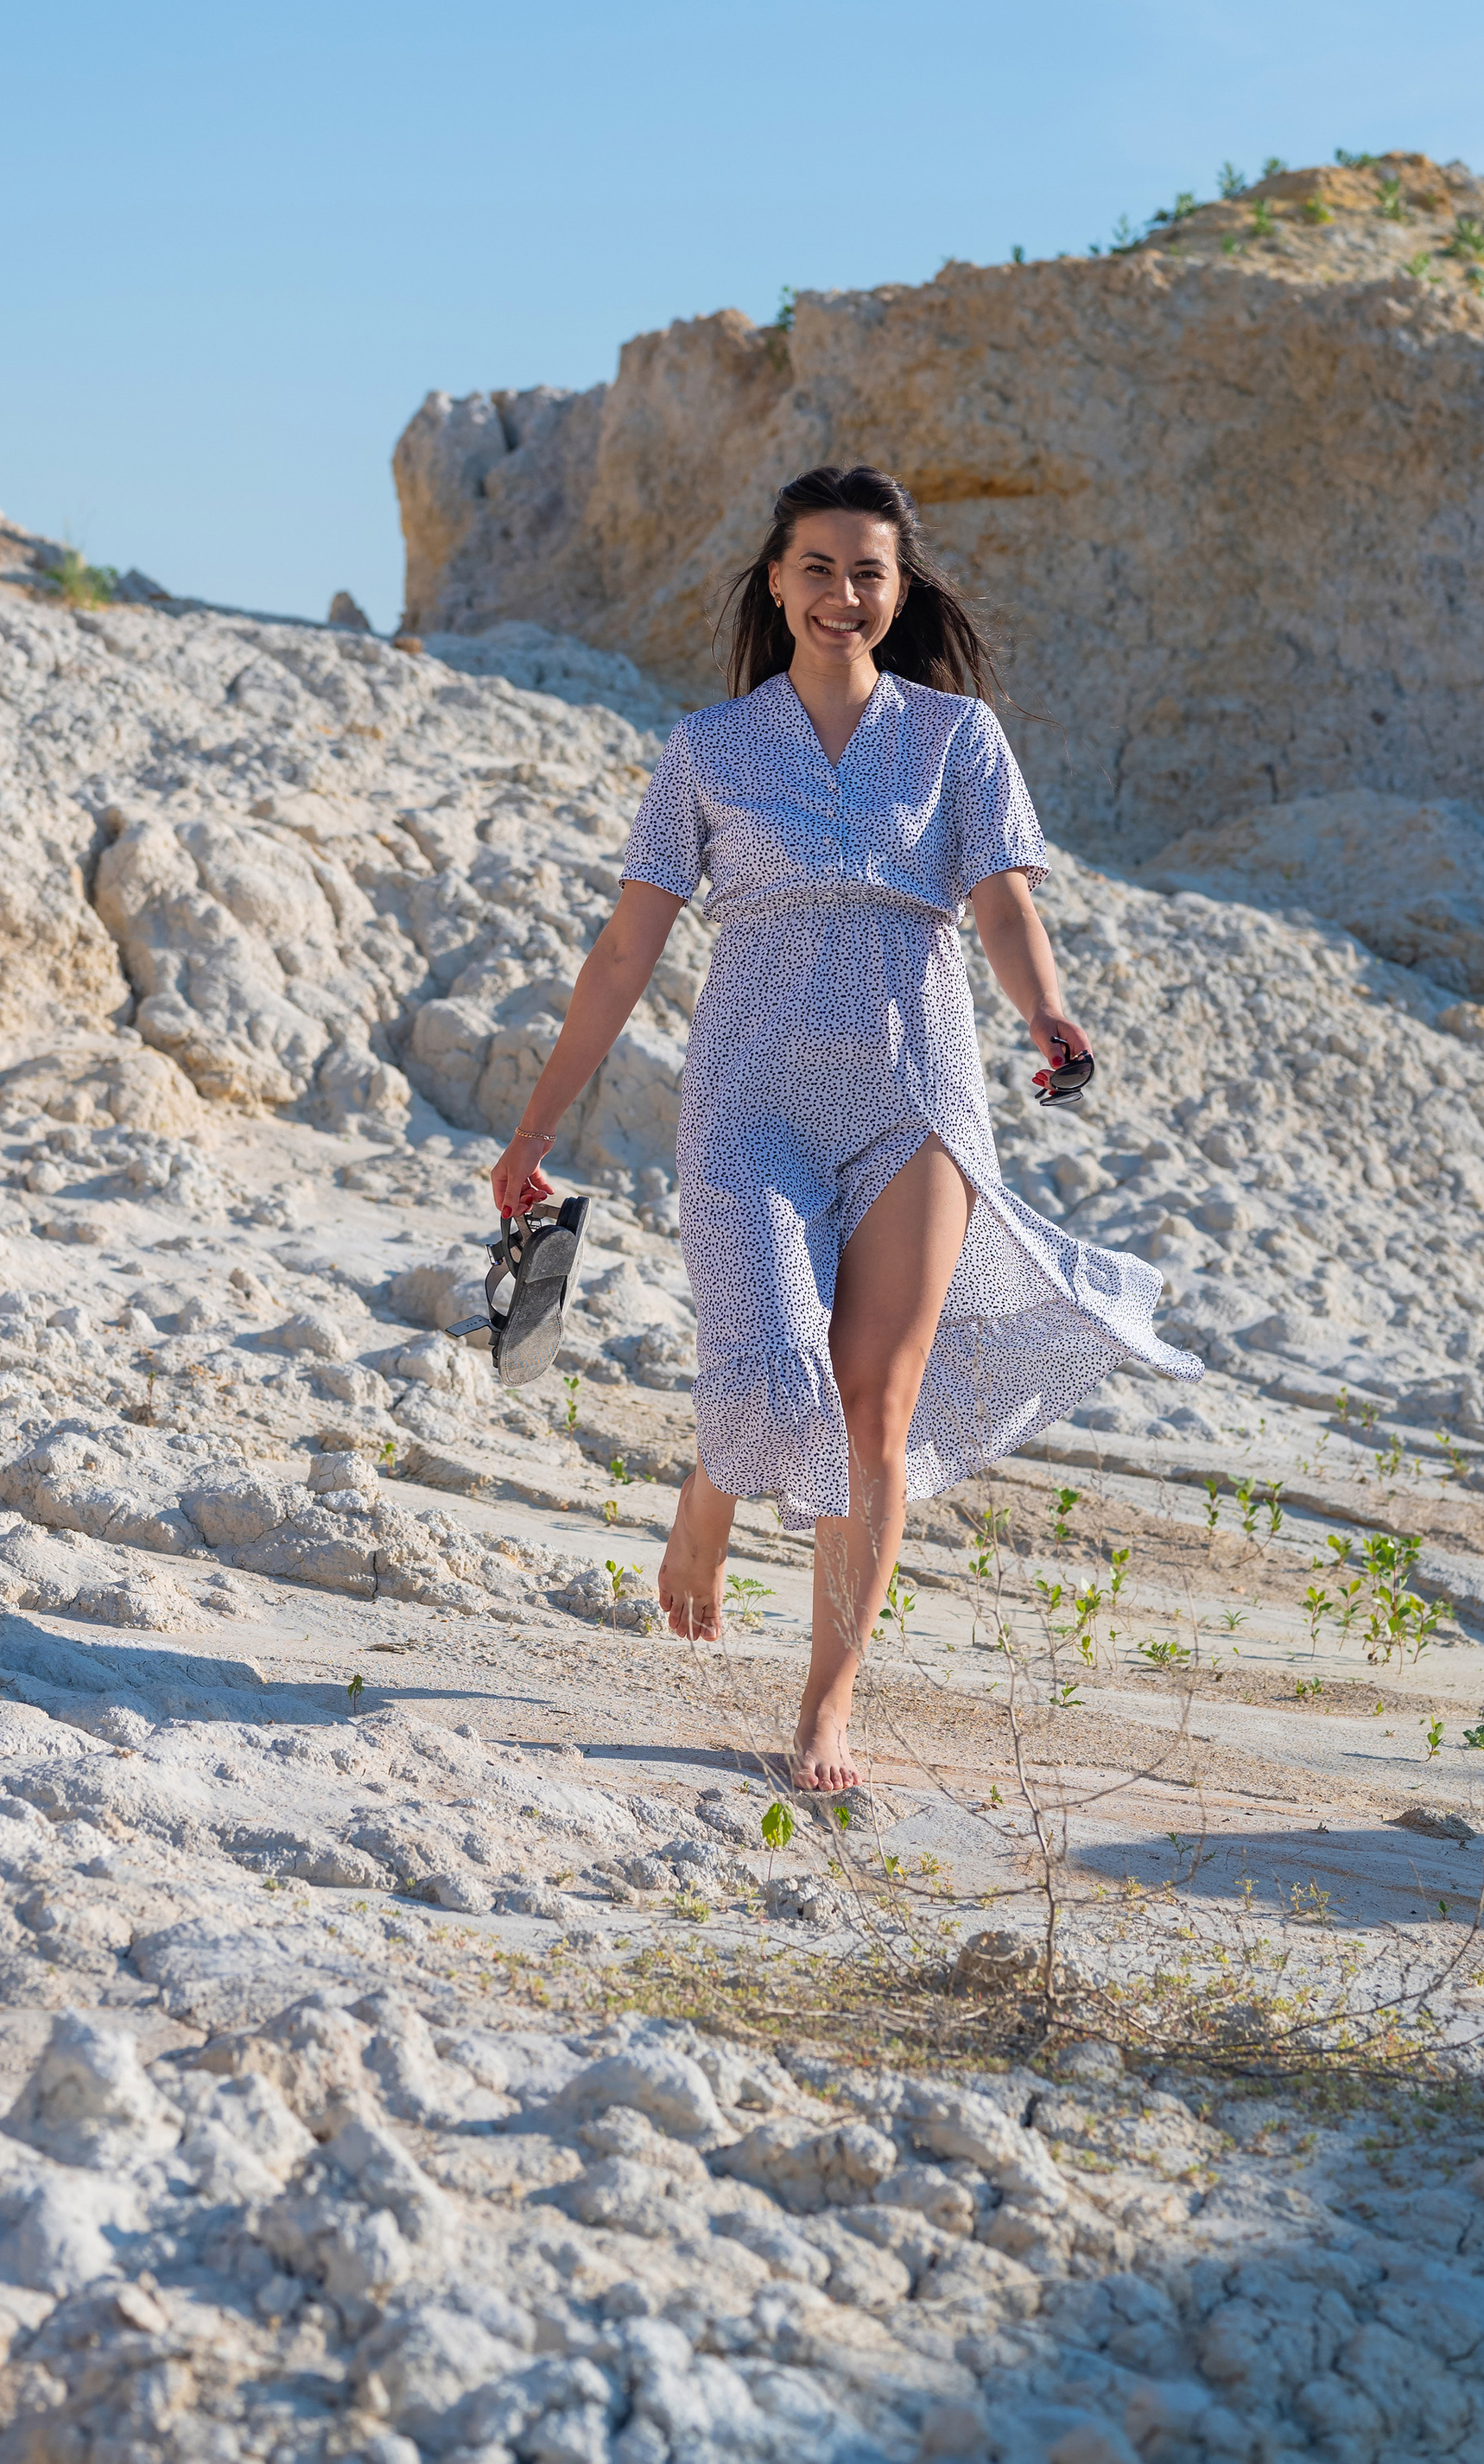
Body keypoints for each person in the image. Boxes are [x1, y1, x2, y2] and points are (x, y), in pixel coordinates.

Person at [489, 464, 1201, 1788]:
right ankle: (714, 1487)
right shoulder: (704, 747)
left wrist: (1048, 1012)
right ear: (774, 576)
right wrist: (536, 1125)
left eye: (867, 570)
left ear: (900, 588)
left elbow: (999, 904)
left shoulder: (956, 737)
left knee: (877, 1407)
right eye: (816, 566)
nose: (841, 593)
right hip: (749, 1096)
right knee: (766, 1374)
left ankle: (828, 1702)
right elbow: (625, 950)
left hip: (915, 1097)